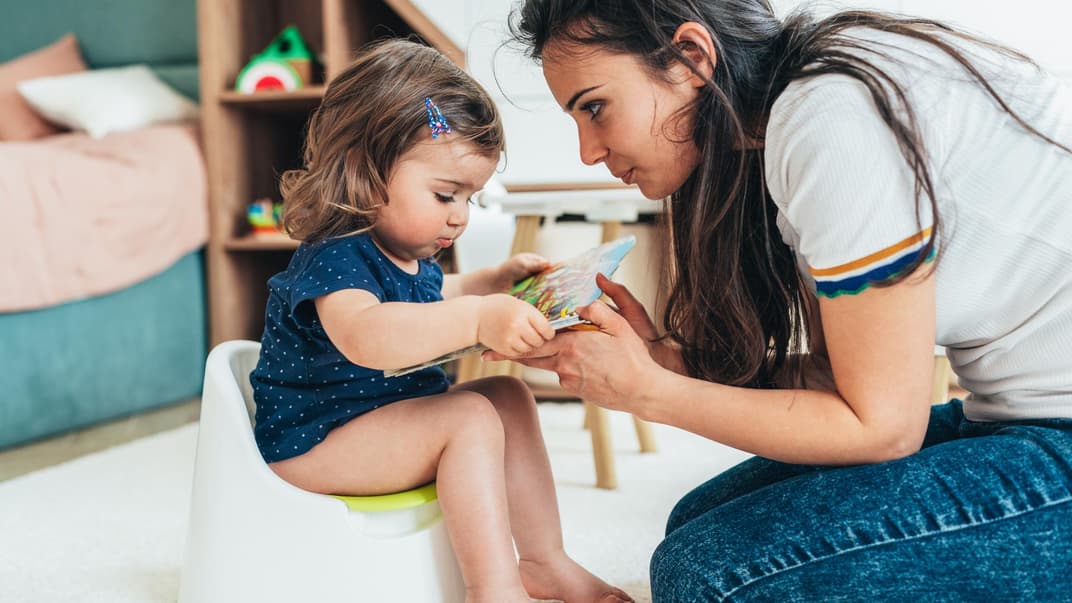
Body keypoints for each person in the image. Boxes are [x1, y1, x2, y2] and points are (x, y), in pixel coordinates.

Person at [495, 1, 1072, 600]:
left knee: (714, 575)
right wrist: (670, 364)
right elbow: (838, 385)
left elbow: (881, 428)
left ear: (691, 57)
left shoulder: (832, 119)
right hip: (1016, 418)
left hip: (1059, 429)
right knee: (697, 521)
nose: (588, 150)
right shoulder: (795, 117)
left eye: (595, 107)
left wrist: (648, 391)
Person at [250, 39, 633, 603]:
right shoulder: (336, 253)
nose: (459, 215)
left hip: (377, 421)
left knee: (507, 395)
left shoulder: (406, 254)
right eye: (445, 193)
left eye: (469, 198)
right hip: (314, 443)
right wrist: (477, 316)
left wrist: (488, 283)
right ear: (364, 168)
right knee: (472, 419)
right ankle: (494, 589)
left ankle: (546, 561)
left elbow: (427, 301)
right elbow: (369, 335)